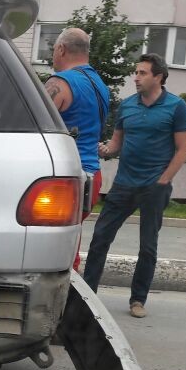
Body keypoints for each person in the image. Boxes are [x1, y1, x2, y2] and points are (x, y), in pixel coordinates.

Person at [82, 53, 186, 319]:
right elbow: (117, 143)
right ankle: (87, 297)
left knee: (147, 246)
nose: (136, 77)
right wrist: (105, 150)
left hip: (154, 186)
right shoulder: (128, 106)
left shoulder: (175, 107)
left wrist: (163, 180)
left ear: (159, 77)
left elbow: (183, 149)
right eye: (136, 72)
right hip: (124, 184)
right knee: (99, 239)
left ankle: (137, 300)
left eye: (142, 73)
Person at [44, 27, 110, 272]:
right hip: (92, 177)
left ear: (61, 49)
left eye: (53, 50)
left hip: (66, 177)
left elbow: (33, 126)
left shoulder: (59, 83)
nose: (53, 56)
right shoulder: (99, 85)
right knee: (70, 243)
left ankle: (60, 301)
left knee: (49, 251)